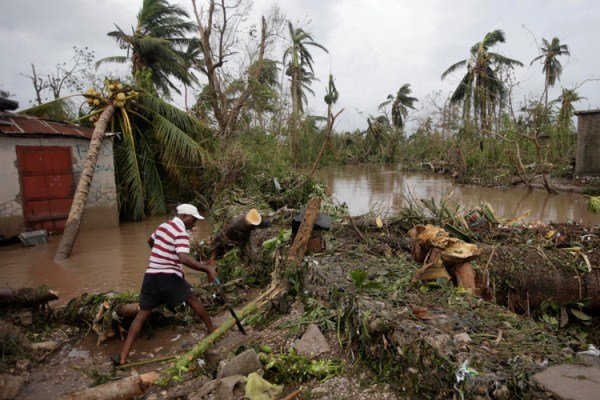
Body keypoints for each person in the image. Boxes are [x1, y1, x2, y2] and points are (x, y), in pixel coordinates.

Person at [112, 204, 217, 366]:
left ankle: (123, 357)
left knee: (141, 316)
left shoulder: (163, 226)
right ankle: (213, 332)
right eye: (194, 219)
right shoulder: (181, 233)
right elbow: (183, 257)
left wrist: (163, 256)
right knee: (193, 300)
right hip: (168, 277)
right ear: (185, 216)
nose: (194, 223)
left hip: (151, 276)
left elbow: (150, 241)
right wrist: (206, 269)